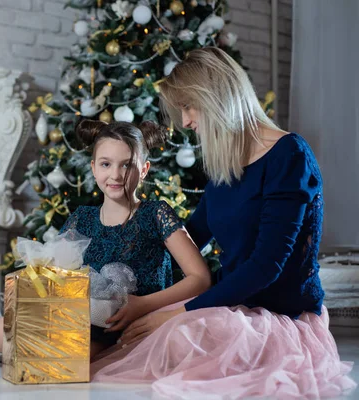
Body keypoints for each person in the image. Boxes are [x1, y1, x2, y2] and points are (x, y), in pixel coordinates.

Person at [90, 47, 356, 399]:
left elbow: (266, 266)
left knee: (176, 340)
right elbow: (190, 238)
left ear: (216, 97)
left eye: (188, 106)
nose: (185, 121)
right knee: (135, 338)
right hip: (229, 304)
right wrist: (129, 279)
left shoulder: (290, 156)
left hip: (278, 317)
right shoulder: (225, 166)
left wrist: (175, 314)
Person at [0, 120, 212, 365]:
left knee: (71, 353)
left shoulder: (156, 214)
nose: (116, 174)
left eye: (127, 165)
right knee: (11, 325)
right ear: (93, 168)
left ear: (143, 170)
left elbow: (199, 278)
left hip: (135, 324)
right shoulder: (82, 218)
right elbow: (60, 270)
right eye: (106, 164)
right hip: (85, 317)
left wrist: (143, 305)